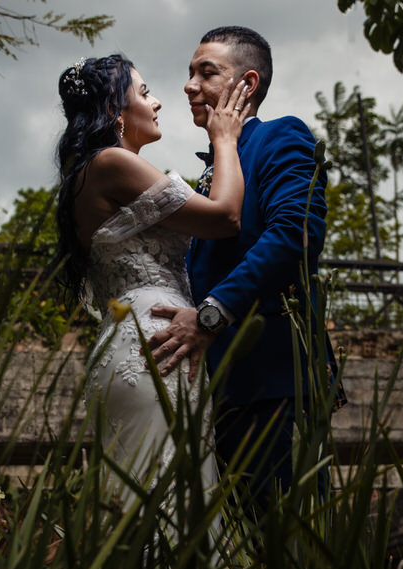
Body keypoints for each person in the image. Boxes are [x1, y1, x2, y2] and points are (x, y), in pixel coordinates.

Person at [52, 54, 252, 506]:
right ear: (113, 112)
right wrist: (224, 140)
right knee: (170, 502)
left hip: (125, 343)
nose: (158, 102)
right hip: (158, 345)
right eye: (144, 93)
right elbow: (225, 216)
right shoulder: (111, 164)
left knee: (140, 501)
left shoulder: (81, 178)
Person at [147, 27, 333, 511]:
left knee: (281, 547)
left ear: (247, 84)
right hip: (219, 388)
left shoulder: (280, 137)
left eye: (206, 72)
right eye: (189, 72)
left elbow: (296, 234)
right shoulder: (216, 168)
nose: (189, 85)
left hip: (267, 381)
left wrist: (211, 314)